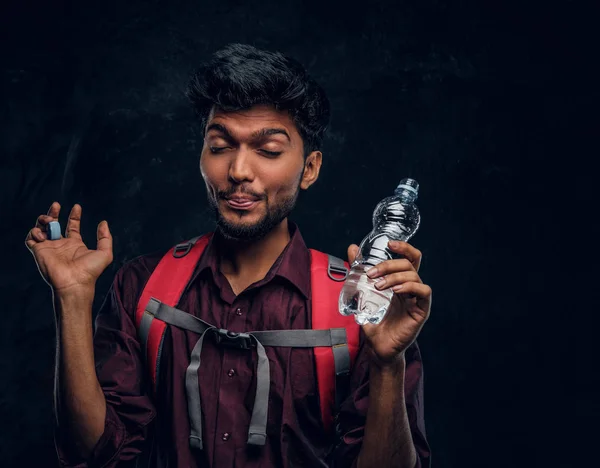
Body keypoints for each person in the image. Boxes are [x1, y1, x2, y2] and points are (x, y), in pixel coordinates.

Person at [25, 43, 432, 468]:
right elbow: (93, 453)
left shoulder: (364, 305)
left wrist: (388, 364)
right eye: (220, 145)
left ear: (309, 168)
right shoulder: (143, 286)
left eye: (268, 150)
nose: (238, 171)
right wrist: (71, 299)